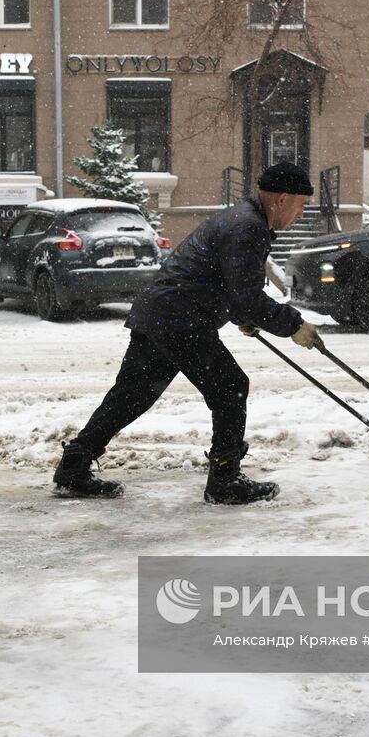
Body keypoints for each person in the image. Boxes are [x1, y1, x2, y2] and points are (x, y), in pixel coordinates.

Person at [53, 161, 320, 506]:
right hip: (180, 318)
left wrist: (242, 313)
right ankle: (225, 479)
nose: (300, 214)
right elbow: (248, 297)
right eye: (301, 206)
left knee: (132, 395)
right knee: (230, 386)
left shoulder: (244, 219)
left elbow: (229, 285)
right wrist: (294, 325)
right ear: (282, 199)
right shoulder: (248, 228)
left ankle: (73, 467)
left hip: (161, 312)